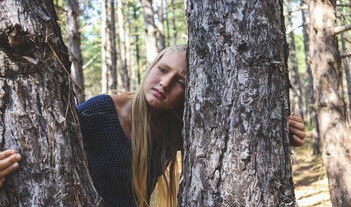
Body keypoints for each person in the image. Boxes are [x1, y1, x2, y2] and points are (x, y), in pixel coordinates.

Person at [0, 45, 306, 206]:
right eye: (162, 70)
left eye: (180, 83)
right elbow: (40, 152)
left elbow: (238, 142)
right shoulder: (101, 111)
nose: (164, 83)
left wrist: (281, 134)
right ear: (151, 67)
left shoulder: (178, 130)